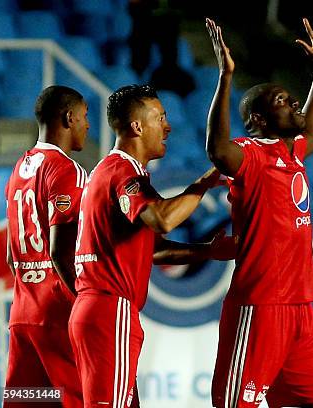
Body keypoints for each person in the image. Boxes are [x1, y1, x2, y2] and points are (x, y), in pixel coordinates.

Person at [205, 14, 313, 408]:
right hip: (260, 306)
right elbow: (217, 151)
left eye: (292, 98)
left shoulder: (293, 152)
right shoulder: (251, 153)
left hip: (302, 308)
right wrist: (225, 79)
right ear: (258, 121)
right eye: (283, 102)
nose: (294, 104)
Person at [69, 84, 234, 407]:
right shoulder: (122, 171)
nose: (168, 126)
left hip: (102, 310)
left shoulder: (112, 171)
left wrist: (207, 251)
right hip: (109, 310)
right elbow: (163, 219)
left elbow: (153, 249)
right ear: (137, 126)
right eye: (160, 117)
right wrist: (206, 182)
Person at [4, 85, 89, 407]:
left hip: (23, 314)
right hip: (58, 314)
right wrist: (83, 304)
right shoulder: (66, 169)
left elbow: (13, 255)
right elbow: (60, 251)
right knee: (79, 400)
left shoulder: (19, 168)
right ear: (69, 118)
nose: (87, 125)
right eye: (84, 117)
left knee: (29, 401)